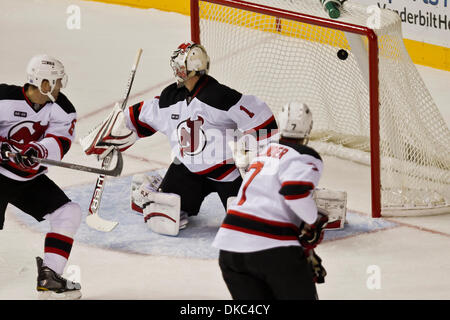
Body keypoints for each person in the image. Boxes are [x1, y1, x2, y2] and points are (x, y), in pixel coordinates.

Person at [81, 41, 278, 234]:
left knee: (248, 226)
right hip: (186, 171)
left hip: (226, 173)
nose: (175, 71)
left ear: (185, 70)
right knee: (163, 221)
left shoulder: (219, 96)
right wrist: (110, 134)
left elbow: (261, 118)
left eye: (178, 66)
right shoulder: (172, 97)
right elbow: (142, 114)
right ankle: (149, 185)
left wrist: (259, 160)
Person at [212, 102, 328, 300]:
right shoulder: (305, 155)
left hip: (230, 249)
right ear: (309, 127)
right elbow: (295, 192)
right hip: (273, 249)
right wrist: (313, 219)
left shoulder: (262, 153)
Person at [0, 54, 82, 299]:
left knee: (68, 212)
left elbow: (61, 140)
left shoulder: (62, 108)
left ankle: (50, 276)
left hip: (28, 179)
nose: (59, 87)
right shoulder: (4, 98)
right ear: (44, 83)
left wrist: (37, 151)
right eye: (56, 82)